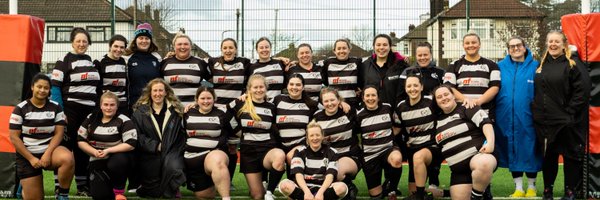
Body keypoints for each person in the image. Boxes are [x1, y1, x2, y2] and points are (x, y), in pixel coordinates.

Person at [533, 31, 590, 200]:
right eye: (550, 41)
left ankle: (570, 191)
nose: (553, 44)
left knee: (570, 157)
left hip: (568, 122)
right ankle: (547, 191)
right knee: (548, 157)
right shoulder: (542, 64)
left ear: (564, 43)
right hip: (545, 122)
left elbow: (583, 91)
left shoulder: (573, 64)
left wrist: (569, 113)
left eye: (557, 41)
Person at [50, 27, 100, 196]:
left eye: (84, 41)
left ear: (89, 43)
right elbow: (55, 87)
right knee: (64, 148)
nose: (81, 44)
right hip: (70, 111)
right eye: (78, 41)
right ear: (72, 42)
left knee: (83, 148)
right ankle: (59, 185)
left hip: (89, 113)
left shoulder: (91, 61)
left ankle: (82, 187)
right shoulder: (64, 60)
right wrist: (60, 112)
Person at [10, 74, 74, 200]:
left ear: (49, 90)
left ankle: (62, 195)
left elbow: (59, 133)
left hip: (49, 152)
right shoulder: (20, 109)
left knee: (67, 158)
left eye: (46, 88)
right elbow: (14, 138)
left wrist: (48, 153)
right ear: (32, 87)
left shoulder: (56, 107)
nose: (42, 90)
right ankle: (24, 187)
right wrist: (31, 159)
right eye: (39, 86)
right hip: (27, 156)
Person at [494, 36, 542, 198]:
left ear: (524, 47)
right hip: (505, 118)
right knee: (512, 149)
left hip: (528, 117)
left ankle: (531, 187)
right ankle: (519, 188)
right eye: (512, 46)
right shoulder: (499, 67)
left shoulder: (536, 66)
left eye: (518, 45)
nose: (515, 48)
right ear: (508, 49)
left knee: (529, 150)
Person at [432, 85, 497, 200]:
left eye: (446, 94)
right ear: (436, 102)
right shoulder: (436, 121)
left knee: (485, 163)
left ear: (453, 95)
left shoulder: (467, 107)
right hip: (459, 172)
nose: (444, 98)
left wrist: (490, 143)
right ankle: (481, 189)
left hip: (477, 158)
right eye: (439, 97)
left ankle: (477, 195)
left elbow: (486, 123)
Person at [227, 74, 286, 200]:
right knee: (257, 195)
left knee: (280, 156)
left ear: (266, 88)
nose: (259, 90)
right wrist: (239, 132)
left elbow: (275, 128)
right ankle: (262, 189)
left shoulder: (271, 107)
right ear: (249, 89)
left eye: (261, 87)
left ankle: (270, 192)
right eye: (255, 87)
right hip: (249, 153)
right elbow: (225, 113)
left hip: (267, 150)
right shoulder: (241, 103)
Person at [205, 38, 252, 187]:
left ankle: (229, 181)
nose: (228, 50)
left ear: (236, 49)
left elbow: (259, 65)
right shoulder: (213, 63)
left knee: (232, 147)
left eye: (231, 47)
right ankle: (212, 180)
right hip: (217, 112)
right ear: (221, 49)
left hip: (234, 112)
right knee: (215, 144)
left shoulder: (244, 63)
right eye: (225, 48)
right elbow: (201, 73)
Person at [131, 78, 186, 198]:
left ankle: (173, 186)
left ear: (166, 92)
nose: (158, 94)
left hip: (172, 151)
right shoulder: (139, 112)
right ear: (150, 93)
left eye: (161, 90)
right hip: (149, 153)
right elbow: (136, 136)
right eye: (155, 91)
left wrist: (171, 147)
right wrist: (156, 145)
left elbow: (182, 133)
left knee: (172, 165)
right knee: (154, 192)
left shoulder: (177, 111)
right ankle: (148, 187)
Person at [77, 92, 137, 200]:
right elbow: (80, 140)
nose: (108, 108)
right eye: (106, 104)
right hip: (97, 159)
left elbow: (131, 144)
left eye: (112, 105)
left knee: (117, 162)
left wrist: (108, 150)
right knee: (100, 196)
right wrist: (93, 152)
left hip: (117, 158)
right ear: (100, 105)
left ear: (117, 106)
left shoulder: (124, 120)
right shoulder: (92, 118)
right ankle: (109, 189)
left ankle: (119, 192)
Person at [394, 75, 443, 200]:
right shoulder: (401, 107)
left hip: (432, 147)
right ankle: (436, 193)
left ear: (421, 87)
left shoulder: (431, 102)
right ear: (405, 89)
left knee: (418, 157)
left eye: (415, 85)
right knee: (412, 192)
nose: (412, 89)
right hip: (413, 149)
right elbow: (396, 129)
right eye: (409, 86)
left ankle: (420, 196)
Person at [183, 86, 233, 200]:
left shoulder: (222, 114)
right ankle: (213, 182)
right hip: (193, 160)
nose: (206, 101)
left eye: (209, 98)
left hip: (214, 154)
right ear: (196, 100)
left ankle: (226, 198)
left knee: (218, 161)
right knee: (205, 196)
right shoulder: (187, 113)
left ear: (214, 99)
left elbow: (237, 131)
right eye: (202, 98)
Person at [278, 121, 348, 200]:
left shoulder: (332, 152)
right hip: (304, 190)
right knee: (284, 185)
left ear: (322, 136)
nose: (315, 138)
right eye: (311, 135)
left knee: (342, 188)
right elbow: (298, 175)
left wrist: (320, 193)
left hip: (323, 190)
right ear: (307, 138)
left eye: (317, 135)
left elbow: (330, 176)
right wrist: (307, 192)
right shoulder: (299, 152)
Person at [313, 87, 362, 200]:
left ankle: (348, 187)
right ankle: (346, 188)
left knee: (336, 171)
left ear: (339, 100)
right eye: (326, 101)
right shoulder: (317, 117)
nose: (330, 103)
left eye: (332, 100)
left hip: (349, 155)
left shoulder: (349, 111)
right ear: (322, 102)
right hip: (328, 157)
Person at [356, 85, 403, 199]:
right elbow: (356, 136)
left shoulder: (387, 108)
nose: (370, 98)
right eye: (367, 95)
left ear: (378, 97)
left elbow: (397, 126)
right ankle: (383, 188)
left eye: (373, 95)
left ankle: (392, 188)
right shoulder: (359, 115)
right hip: (370, 156)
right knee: (376, 196)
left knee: (396, 159)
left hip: (388, 149)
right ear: (363, 98)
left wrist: (388, 137)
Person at [443, 32, 500, 119]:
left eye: (474, 42)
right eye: (467, 43)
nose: (470, 45)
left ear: (479, 44)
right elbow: (449, 87)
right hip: (461, 112)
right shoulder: (453, 65)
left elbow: (495, 87)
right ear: (463, 45)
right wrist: (466, 100)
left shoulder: (492, 64)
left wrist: (478, 102)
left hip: (485, 111)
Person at [273, 74, 319, 171]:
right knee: (278, 159)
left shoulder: (311, 104)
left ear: (303, 87)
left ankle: (297, 184)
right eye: (292, 84)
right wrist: (246, 95)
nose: (294, 87)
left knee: (291, 157)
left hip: (301, 144)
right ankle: (270, 186)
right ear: (287, 86)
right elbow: (262, 103)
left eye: (298, 85)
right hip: (280, 144)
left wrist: (341, 102)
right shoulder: (278, 100)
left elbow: (329, 107)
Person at [160, 32, 210, 106]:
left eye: (186, 44)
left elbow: (211, 83)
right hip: (170, 109)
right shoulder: (165, 62)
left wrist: (202, 88)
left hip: (193, 109)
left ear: (191, 46)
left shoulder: (200, 63)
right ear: (174, 47)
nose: (182, 47)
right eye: (179, 44)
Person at [361, 34, 409, 107]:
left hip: (395, 112)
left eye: (385, 45)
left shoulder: (401, 65)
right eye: (378, 45)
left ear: (390, 47)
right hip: (372, 112)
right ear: (373, 47)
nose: (381, 47)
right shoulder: (365, 65)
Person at [125, 23, 162, 110]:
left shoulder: (157, 58)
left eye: (147, 38)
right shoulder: (127, 58)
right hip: (134, 104)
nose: (144, 41)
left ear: (151, 41)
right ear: (135, 40)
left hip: (154, 104)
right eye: (141, 38)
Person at [321, 38, 363, 109]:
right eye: (339, 48)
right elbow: (325, 82)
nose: (341, 51)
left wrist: (360, 89)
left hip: (353, 104)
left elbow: (361, 80)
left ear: (349, 50)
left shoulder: (357, 62)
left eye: (344, 48)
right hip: (335, 105)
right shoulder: (328, 63)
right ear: (334, 51)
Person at [95, 35, 129, 115]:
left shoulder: (126, 62)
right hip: (107, 106)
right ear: (110, 46)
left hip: (122, 105)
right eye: (116, 46)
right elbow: (96, 87)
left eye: (122, 47)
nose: (118, 50)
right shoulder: (99, 62)